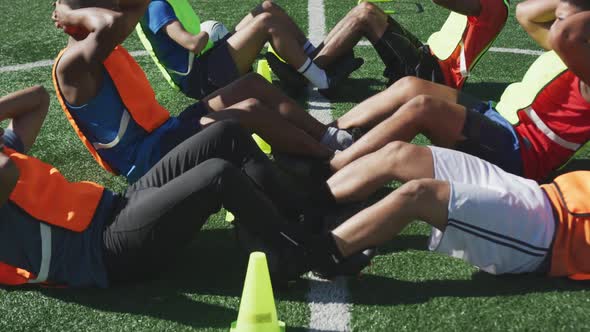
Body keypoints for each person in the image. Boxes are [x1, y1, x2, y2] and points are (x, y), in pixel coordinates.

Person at [0, 86, 316, 288]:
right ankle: (300, 252)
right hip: (104, 252)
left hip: (117, 207)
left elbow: (38, 99)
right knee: (216, 175)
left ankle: (298, 211)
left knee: (226, 133)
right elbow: (6, 170)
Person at [52, 0, 354, 183]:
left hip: (164, 135)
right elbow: (112, 20)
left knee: (250, 86)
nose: (112, 4)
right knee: (246, 110)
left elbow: (129, 9)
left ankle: (327, 135)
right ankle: (329, 158)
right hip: (148, 160)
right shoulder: (74, 66)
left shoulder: (99, 48)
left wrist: (73, 11)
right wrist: (69, 11)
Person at [325, 0, 590, 183]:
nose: (558, 21)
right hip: (500, 120)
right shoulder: (571, 56)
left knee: (422, 107)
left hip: (520, 152)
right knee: (409, 87)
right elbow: (529, 12)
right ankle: (326, 136)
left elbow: (564, 32)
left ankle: (331, 169)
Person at [293, 140, 590, 280]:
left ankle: (314, 257)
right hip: (540, 192)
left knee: (419, 196)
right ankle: (300, 211)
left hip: (547, 237)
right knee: (400, 154)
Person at [268, 0, 509, 93]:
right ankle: (314, 66)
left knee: (366, 14)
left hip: (436, 78)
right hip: (428, 56)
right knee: (366, 11)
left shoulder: (494, 5)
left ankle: (304, 75)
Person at [138, 0, 360, 98]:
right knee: (266, 23)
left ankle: (313, 58)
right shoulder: (155, 6)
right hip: (203, 79)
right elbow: (193, 44)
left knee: (267, 7)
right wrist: (207, 31)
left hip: (207, 61)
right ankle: (323, 81)